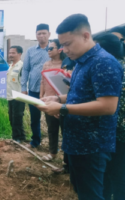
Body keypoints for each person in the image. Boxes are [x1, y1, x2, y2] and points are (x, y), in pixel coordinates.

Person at [37, 14, 123, 200]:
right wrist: (59, 99)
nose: (64, 50)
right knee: (82, 191)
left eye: (68, 44)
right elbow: (81, 95)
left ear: (85, 36)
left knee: (92, 194)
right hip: (77, 142)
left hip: (92, 146)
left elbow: (107, 106)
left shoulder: (103, 62)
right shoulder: (83, 62)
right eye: (62, 45)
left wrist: (63, 109)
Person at [92, 33, 125, 200]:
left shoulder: (111, 68)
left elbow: (109, 105)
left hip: (117, 133)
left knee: (115, 174)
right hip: (112, 132)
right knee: (113, 175)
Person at [20, 23, 51, 148]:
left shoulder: (54, 50)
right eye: (39, 33)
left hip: (50, 91)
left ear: (49, 34)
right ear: (36, 35)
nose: (42, 36)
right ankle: (35, 141)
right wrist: (23, 88)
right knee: (34, 117)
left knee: (52, 119)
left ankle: (52, 145)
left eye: (44, 33)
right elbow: (26, 70)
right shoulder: (31, 51)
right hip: (33, 89)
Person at [39, 39, 66, 161]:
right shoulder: (46, 64)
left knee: (65, 130)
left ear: (60, 49)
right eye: (47, 49)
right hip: (49, 100)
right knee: (52, 128)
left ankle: (67, 157)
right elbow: (42, 81)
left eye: (51, 48)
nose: (48, 51)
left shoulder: (66, 64)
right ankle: (52, 153)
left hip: (63, 102)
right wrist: (41, 97)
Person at [7, 46, 25, 142]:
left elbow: (25, 81)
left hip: (18, 96)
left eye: (13, 53)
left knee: (17, 117)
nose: (11, 55)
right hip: (10, 96)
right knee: (11, 117)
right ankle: (20, 136)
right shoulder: (11, 66)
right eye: (10, 53)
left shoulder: (21, 66)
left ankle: (17, 138)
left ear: (19, 54)